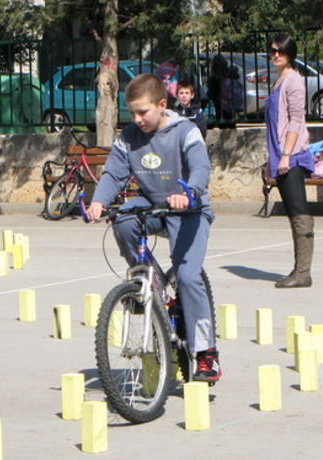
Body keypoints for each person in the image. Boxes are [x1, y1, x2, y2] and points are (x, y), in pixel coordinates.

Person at [85, 73, 221, 383]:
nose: (136, 119)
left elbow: (201, 166)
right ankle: (147, 280)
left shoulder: (184, 131)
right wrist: (98, 202)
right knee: (121, 218)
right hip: (151, 205)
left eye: (143, 111)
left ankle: (206, 353)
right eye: (131, 112)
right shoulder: (129, 137)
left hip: (189, 209)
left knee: (188, 277)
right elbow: (113, 175)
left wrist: (190, 192)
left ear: (162, 105)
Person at [265, 34, 316, 288]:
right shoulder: (279, 81)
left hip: (292, 156)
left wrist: (285, 154)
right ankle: (299, 270)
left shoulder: (294, 80)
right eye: (273, 51)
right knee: (292, 212)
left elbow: (296, 120)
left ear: (290, 54)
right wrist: (271, 159)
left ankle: (303, 272)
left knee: (299, 212)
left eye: (281, 51)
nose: (276, 55)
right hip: (280, 154)